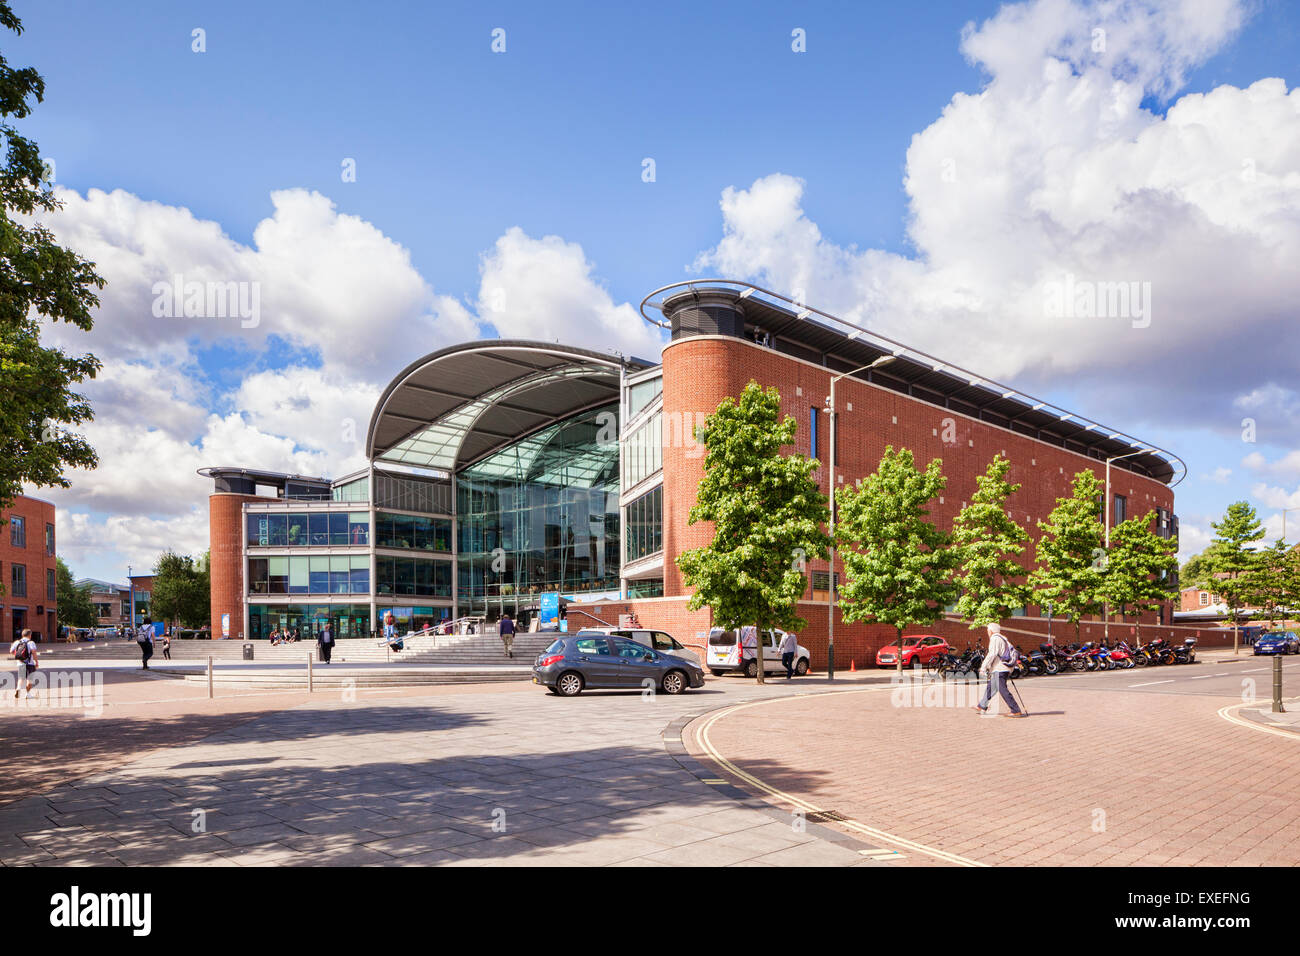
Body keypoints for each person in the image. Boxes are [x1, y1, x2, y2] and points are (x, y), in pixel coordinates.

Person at [974, 623, 1025, 718]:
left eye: (988, 630)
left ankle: (1015, 710)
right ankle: (982, 705)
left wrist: (983, 667)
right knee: (991, 687)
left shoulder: (995, 638)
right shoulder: (1003, 638)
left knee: (1003, 689)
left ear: (991, 630)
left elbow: (992, 654)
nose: (987, 632)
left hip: (1000, 668)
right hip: (1003, 667)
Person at [11, 628, 38, 699]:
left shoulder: (17, 642)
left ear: (22, 635)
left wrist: (19, 656)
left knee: (21, 678)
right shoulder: (31, 642)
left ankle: (18, 688)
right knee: (29, 679)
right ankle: (28, 694)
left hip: (20, 663)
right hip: (30, 663)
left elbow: (11, 651)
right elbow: (34, 652)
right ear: (30, 635)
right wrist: (36, 662)